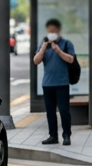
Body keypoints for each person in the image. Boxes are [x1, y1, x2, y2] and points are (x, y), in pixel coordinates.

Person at [33, 18, 77, 147]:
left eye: (53, 30)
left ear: (58, 30)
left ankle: (66, 135)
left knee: (64, 110)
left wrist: (58, 51)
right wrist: (43, 48)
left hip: (62, 83)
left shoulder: (66, 43)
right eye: (49, 31)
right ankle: (53, 135)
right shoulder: (43, 44)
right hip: (48, 84)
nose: (51, 32)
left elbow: (71, 59)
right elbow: (36, 60)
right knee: (50, 111)